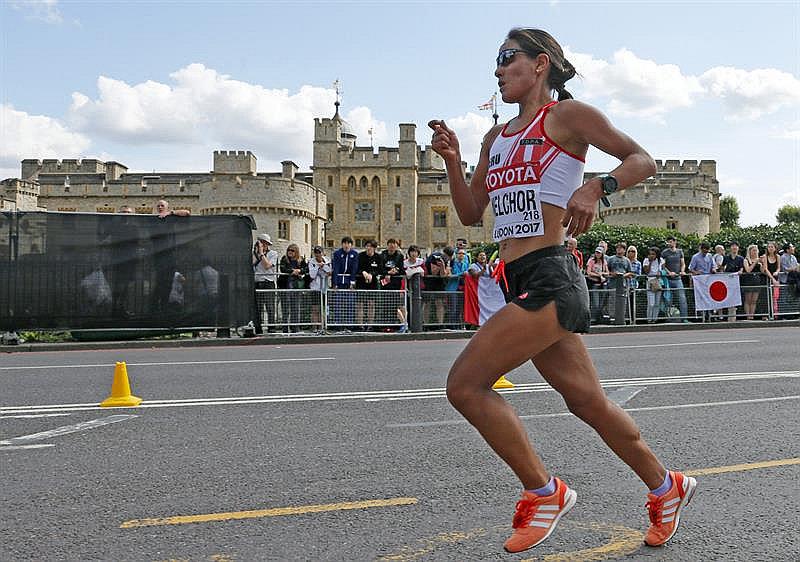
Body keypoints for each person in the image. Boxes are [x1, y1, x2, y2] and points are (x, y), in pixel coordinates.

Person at [429, 27, 694, 554]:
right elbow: (469, 212)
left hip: (552, 275)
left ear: (541, 63)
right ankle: (669, 486)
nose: (499, 70)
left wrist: (597, 186)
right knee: (588, 402)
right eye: (496, 63)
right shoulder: (496, 137)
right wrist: (454, 161)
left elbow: (643, 160)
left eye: (508, 59)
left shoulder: (566, 118)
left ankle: (544, 492)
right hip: (519, 280)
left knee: (465, 385)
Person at [151, 199, 190, 315]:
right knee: (159, 283)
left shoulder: (171, 218)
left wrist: (171, 213)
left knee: (167, 283)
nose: (160, 207)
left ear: (167, 207)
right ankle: (154, 308)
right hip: (158, 257)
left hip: (170, 257)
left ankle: (163, 307)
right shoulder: (154, 221)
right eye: (158, 206)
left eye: (162, 205)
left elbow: (187, 213)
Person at [278, 243, 307, 332]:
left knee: (296, 308)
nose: (290, 252)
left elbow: (306, 269)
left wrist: (300, 270)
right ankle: (285, 328)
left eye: (292, 250)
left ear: (296, 252)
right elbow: (282, 269)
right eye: (288, 250)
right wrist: (292, 271)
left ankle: (295, 328)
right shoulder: (284, 259)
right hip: (285, 286)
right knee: (285, 308)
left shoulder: (301, 260)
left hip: (296, 286)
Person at [253, 233, 278, 334]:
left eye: (265, 243)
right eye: (261, 243)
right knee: (258, 307)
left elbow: (267, 265)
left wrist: (262, 254)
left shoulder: (273, 254)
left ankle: (271, 328)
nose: (263, 245)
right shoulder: (254, 253)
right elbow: (251, 263)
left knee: (270, 306)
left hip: (268, 282)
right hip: (257, 281)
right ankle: (258, 328)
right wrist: (256, 253)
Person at [331, 236, 359, 328]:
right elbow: (335, 268)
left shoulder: (354, 254)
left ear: (351, 245)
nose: (346, 245)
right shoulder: (337, 254)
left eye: (348, 243)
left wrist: (352, 282)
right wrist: (334, 283)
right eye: (345, 243)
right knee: (338, 304)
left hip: (348, 282)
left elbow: (354, 269)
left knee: (350, 304)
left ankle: (349, 324)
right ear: (342, 244)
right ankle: (337, 324)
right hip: (339, 281)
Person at [355, 239, 383, 329]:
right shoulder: (360, 256)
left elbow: (380, 270)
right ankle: (360, 325)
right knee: (360, 304)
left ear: (374, 248)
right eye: (367, 246)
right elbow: (356, 268)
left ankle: (370, 325)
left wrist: (371, 274)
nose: (368, 248)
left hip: (372, 283)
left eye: (370, 246)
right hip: (361, 283)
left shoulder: (378, 257)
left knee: (371, 304)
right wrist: (363, 272)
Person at [381, 239, 407, 332]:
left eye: (394, 244)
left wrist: (394, 271)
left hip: (396, 284)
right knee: (386, 306)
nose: (392, 246)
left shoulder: (399, 256)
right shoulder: (383, 255)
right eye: (390, 244)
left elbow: (401, 269)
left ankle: (401, 324)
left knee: (395, 306)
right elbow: (380, 268)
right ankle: (387, 325)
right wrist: (387, 272)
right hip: (385, 284)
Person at [662, 236, 688, 322]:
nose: (669, 243)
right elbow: (663, 266)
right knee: (668, 300)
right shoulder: (664, 252)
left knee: (682, 299)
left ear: (675, 242)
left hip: (678, 279)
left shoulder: (680, 251)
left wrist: (682, 271)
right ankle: (669, 318)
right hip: (668, 280)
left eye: (670, 242)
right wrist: (669, 273)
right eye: (668, 242)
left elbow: (683, 263)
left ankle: (684, 318)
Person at [689, 242, 716, 321]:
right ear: (701, 249)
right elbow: (691, 268)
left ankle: (708, 314)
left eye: (707, 251)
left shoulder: (710, 256)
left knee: (709, 297)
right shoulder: (695, 257)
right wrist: (696, 272)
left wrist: (713, 269)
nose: (706, 252)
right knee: (700, 298)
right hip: (699, 281)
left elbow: (713, 266)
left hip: (708, 280)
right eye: (704, 251)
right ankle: (701, 316)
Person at [606, 242, 632, 324]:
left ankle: (622, 317)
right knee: (612, 301)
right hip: (613, 283)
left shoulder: (627, 260)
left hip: (623, 284)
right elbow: (607, 270)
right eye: (617, 248)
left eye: (621, 248)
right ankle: (612, 318)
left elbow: (630, 272)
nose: (619, 249)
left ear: (624, 250)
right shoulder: (611, 259)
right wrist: (612, 274)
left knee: (623, 301)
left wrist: (624, 275)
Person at [307, 245, 331, 328]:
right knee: (315, 309)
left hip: (325, 288)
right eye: (316, 253)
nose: (317, 254)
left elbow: (330, 272)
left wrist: (323, 266)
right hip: (315, 288)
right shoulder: (311, 262)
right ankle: (314, 328)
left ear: (322, 253)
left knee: (324, 310)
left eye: (319, 252)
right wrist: (318, 266)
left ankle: (323, 327)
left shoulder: (327, 260)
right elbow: (312, 275)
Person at [585, 247, 609, 323]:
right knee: (596, 303)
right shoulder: (591, 261)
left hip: (602, 284)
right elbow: (588, 273)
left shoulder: (604, 262)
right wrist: (598, 275)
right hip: (594, 284)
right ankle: (593, 319)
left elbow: (607, 272)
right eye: (596, 252)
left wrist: (602, 274)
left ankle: (599, 319)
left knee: (602, 303)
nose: (597, 254)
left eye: (599, 253)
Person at [721, 241, 744, 321]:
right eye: (732, 246)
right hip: (727, 281)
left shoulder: (740, 258)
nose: (734, 248)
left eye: (736, 246)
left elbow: (741, 268)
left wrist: (740, 271)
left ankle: (733, 317)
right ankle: (727, 316)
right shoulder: (726, 258)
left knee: (735, 299)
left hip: (736, 281)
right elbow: (722, 267)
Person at [642, 247, 665, 323]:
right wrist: (650, 262)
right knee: (651, 303)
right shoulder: (646, 260)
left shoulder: (661, 260)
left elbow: (663, 269)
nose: (651, 255)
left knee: (657, 303)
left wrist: (660, 272)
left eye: (653, 254)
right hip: (650, 281)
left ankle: (654, 319)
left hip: (658, 281)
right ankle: (649, 319)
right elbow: (646, 272)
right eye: (650, 254)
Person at [741, 244, 763, 320]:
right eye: (753, 250)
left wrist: (763, 263)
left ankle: (752, 315)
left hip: (756, 281)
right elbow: (748, 270)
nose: (755, 252)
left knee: (754, 300)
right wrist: (755, 262)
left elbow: (763, 271)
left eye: (756, 250)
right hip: (748, 281)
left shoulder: (758, 261)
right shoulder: (746, 260)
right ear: (749, 252)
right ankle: (748, 316)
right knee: (748, 300)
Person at [763, 241, 781, 317]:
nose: (770, 248)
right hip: (767, 278)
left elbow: (779, 268)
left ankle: (775, 314)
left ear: (775, 248)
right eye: (769, 247)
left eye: (772, 247)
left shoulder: (778, 256)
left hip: (776, 278)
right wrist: (772, 278)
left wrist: (777, 272)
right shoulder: (765, 257)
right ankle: (767, 314)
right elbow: (766, 269)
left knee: (775, 297)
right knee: (767, 297)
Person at [627, 245, 642, 320]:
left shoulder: (638, 263)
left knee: (633, 303)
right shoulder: (625, 261)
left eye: (633, 251)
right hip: (626, 285)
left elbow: (638, 275)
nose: (631, 253)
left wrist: (631, 274)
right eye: (629, 251)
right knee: (626, 303)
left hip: (633, 285)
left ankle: (633, 319)